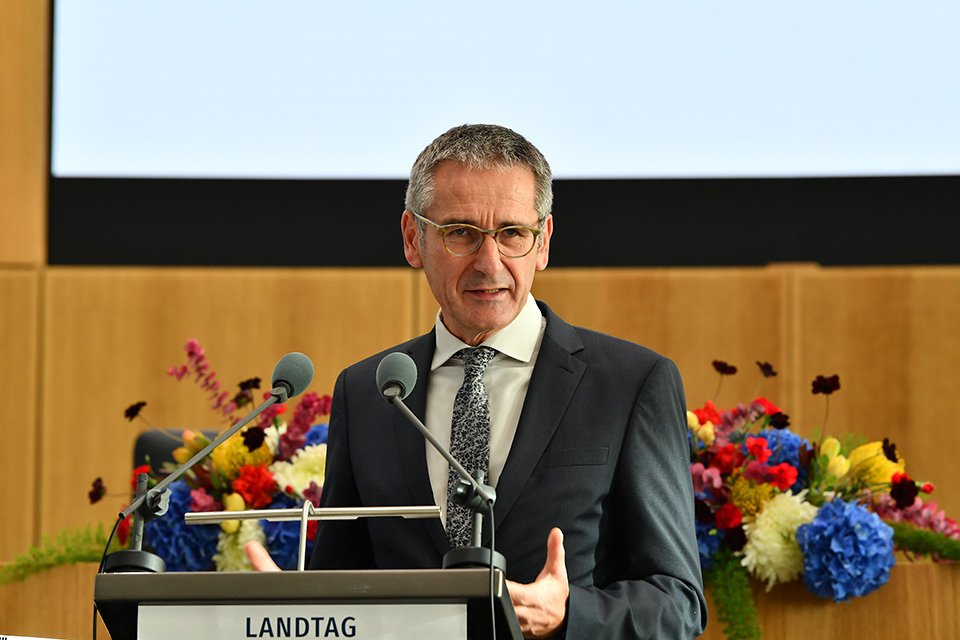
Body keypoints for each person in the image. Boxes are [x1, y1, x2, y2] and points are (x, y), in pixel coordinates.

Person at [247, 124, 706, 639]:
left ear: (543, 242)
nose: (491, 263)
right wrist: (294, 610)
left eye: (512, 233)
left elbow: (679, 602)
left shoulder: (630, 384)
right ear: (412, 238)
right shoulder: (368, 392)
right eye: (461, 232)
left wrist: (567, 615)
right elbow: (342, 582)